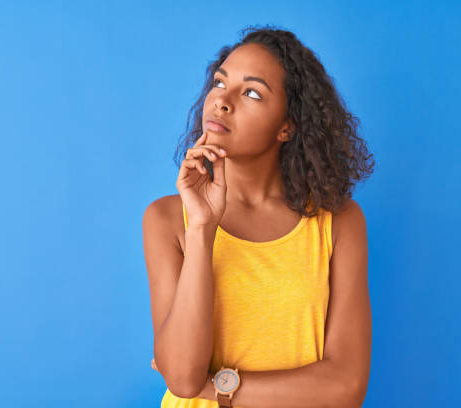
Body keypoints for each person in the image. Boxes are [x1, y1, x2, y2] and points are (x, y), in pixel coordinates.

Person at [142, 25, 375, 408]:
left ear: (288, 126)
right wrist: (201, 228)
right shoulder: (168, 219)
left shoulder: (339, 221)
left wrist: (216, 387)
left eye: (252, 92)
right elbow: (183, 377)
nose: (222, 101)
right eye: (220, 83)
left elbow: (345, 388)